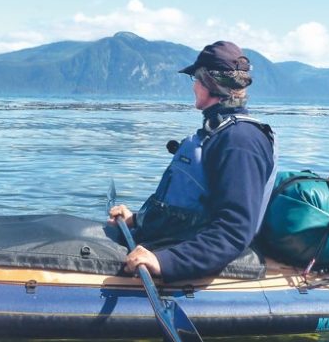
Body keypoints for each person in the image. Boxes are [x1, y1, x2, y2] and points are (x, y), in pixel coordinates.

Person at [108, 41, 277, 282]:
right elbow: (188, 210)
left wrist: (165, 261)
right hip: (171, 239)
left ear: (209, 82)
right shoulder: (218, 132)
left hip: (188, 254)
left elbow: (234, 231)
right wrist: (137, 219)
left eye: (196, 79)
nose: (194, 87)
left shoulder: (241, 141)